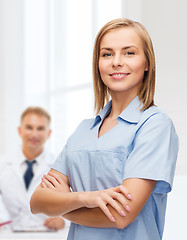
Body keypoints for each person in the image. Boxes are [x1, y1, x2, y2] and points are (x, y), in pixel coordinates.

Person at [30, 18, 179, 240]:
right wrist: (85, 199)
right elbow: (37, 203)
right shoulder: (83, 131)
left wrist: (63, 204)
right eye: (107, 54)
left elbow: (121, 216)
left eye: (129, 53)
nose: (116, 62)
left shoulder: (154, 125)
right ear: (97, 63)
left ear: (147, 63)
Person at [0, 107, 65, 231]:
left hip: (47, 235)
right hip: (9, 235)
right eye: (29, 127)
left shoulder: (60, 167)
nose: (34, 134)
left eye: (40, 128)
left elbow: (72, 204)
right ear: (20, 131)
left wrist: (63, 222)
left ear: (49, 133)